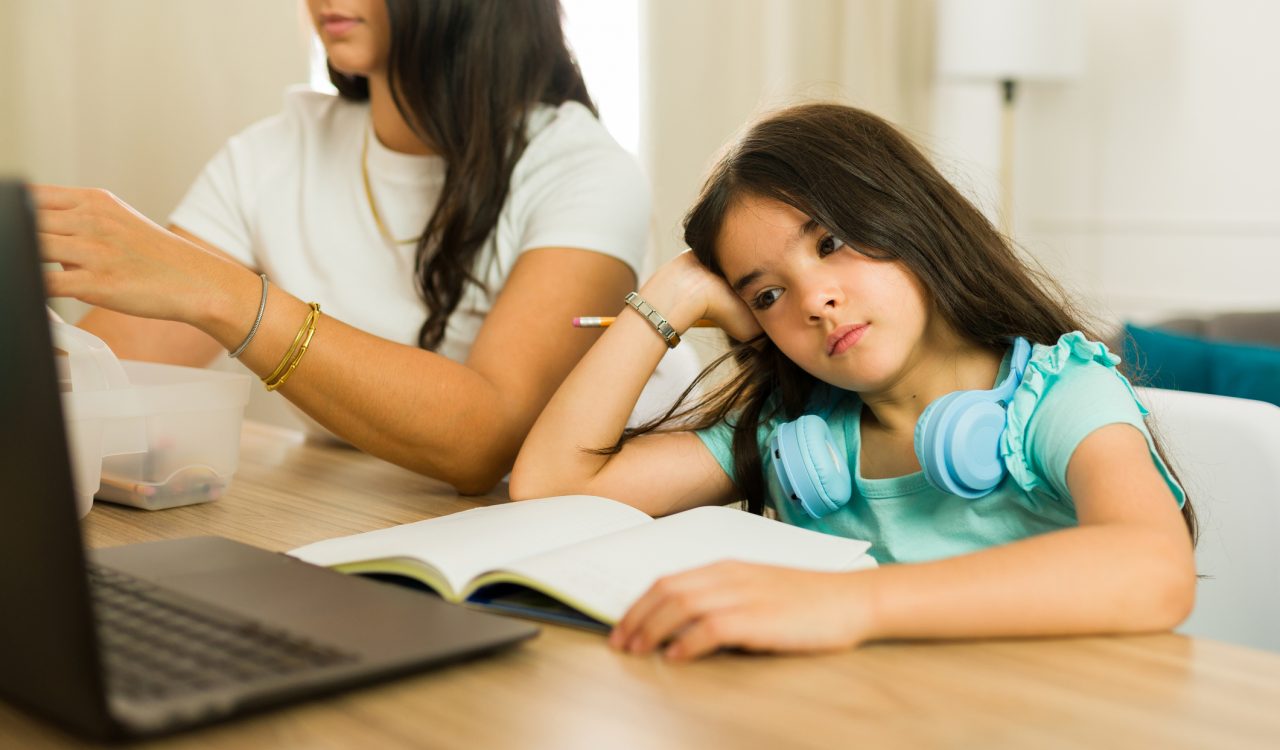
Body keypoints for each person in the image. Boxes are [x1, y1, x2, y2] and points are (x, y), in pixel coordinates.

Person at [509, 102, 1199, 661]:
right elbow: (551, 487)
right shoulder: (796, 434)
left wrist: (849, 604)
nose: (813, 300)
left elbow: (1154, 570)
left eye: (830, 244)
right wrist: (669, 297)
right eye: (767, 295)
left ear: (912, 216)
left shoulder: (1057, 396)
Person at [35, 0, 694, 494]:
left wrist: (220, 294)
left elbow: (487, 437)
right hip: (377, 518)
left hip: (590, 548)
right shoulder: (273, 155)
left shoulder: (583, 168)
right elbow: (92, 383)